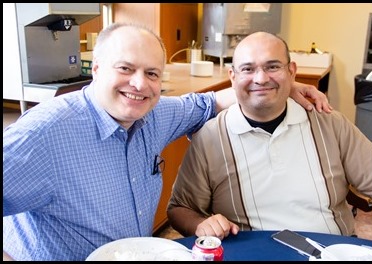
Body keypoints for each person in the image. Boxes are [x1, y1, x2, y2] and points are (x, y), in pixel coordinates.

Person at [3, 23, 331, 261]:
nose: (139, 84)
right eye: (125, 68)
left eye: (152, 73)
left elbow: (209, 103)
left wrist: (282, 87)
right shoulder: (44, 135)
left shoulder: (154, 115)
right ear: (97, 69)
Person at [167, 31, 372, 241]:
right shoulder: (210, 138)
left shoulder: (329, 123)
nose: (260, 78)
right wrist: (201, 225)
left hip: (331, 251)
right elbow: (181, 208)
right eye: (248, 69)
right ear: (233, 77)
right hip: (254, 255)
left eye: (273, 67)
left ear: (292, 72)